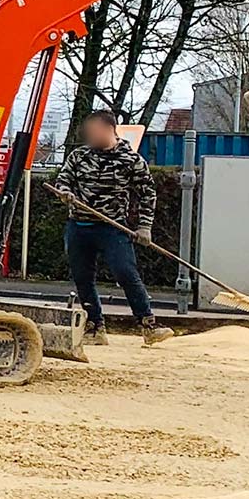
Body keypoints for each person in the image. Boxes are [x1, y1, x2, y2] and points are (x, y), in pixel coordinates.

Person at [53, 109, 175, 345]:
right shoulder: (79, 156)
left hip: (113, 228)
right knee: (82, 277)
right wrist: (65, 193)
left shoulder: (131, 161)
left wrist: (144, 226)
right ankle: (95, 327)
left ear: (110, 130)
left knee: (126, 273)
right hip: (79, 225)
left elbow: (147, 194)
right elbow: (63, 180)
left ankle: (148, 324)